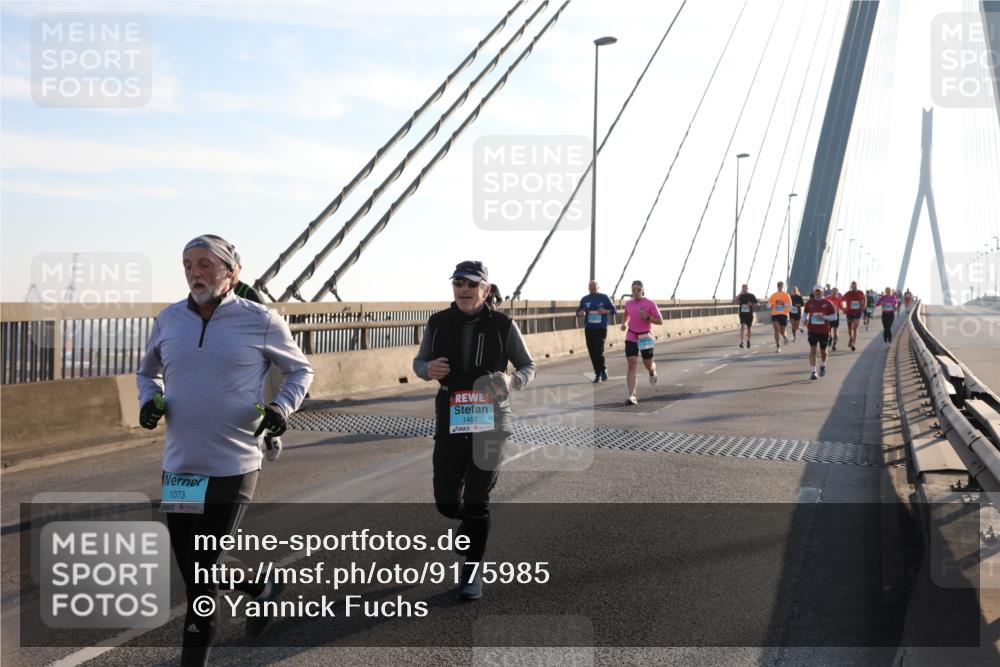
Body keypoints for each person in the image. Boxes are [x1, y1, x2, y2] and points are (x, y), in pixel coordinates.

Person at [137, 235, 314, 666]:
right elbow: (147, 373)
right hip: (181, 468)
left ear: (232, 272)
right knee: (196, 568)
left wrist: (280, 408)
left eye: (205, 264)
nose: (194, 273)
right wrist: (148, 400)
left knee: (201, 585)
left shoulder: (261, 320)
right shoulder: (168, 319)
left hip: (233, 464)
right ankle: (261, 587)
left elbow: (300, 371)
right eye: (188, 264)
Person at [412, 260, 536, 601]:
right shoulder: (437, 323)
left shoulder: (503, 325)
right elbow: (419, 362)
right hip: (451, 416)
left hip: (492, 420)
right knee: (446, 502)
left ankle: (471, 571)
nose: (463, 289)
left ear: (485, 289)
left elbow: (528, 366)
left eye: (471, 284)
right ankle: (464, 520)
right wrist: (427, 369)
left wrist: (511, 380)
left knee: (478, 499)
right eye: (458, 283)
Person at [620, 280, 662, 405]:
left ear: (643, 290)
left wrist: (648, 317)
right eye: (633, 290)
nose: (636, 292)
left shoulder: (650, 303)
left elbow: (660, 321)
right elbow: (626, 315)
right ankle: (632, 395)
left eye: (638, 289)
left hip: (645, 336)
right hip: (631, 335)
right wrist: (624, 323)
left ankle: (652, 371)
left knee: (648, 364)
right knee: (631, 364)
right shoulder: (628, 304)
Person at [577, 280, 617, 383]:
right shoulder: (585, 299)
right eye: (590, 286)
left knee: (598, 351)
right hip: (589, 328)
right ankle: (600, 370)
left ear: (598, 287)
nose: (592, 288)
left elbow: (614, 310)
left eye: (594, 286)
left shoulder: (604, 297)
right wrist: (581, 313)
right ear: (588, 288)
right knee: (592, 351)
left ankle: (599, 373)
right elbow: (578, 312)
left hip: (601, 328)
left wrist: (605, 311)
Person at [803, 284, 837, 380]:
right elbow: (805, 313)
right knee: (813, 350)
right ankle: (813, 372)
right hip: (812, 329)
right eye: (816, 291)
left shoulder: (827, 303)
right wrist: (804, 320)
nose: (818, 293)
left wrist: (824, 317)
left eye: (819, 291)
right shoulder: (809, 303)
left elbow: (834, 317)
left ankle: (822, 365)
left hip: (824, 330)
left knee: (823, 352)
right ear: (814, 292)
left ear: (822, 292)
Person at [767, 281, 792, 352]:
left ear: (783, 287)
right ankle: (778, 346)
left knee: (782, 331)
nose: (780, 287)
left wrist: (783, 304)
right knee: (776, 329)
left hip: (784, 314)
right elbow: (768, 305)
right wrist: (770, 305)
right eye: (779, 286)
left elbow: (790, 305)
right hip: (775, 314)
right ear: (777, 286)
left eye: (781, 286)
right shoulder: (773, 295)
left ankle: (785, 337)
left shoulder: (786, 295)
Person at [842, 281, 867, 351]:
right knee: (849, 328)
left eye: (855, 286)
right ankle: (851, 338)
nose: (854, 287)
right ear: (851, 287)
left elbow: (865, 299)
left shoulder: (860, 292)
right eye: (853, 286)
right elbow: (843, 300)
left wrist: (864, 305)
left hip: (857, 312)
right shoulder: (848, 293)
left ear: (857, 286)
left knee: (855, 328)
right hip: (849, 312)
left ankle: (853, 344)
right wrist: (844, 308)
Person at [735, 284, 758, 349]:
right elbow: (734, 300)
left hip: (749, 314)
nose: (744, 289)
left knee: (749, 328)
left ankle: (748, 340)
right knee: (742, 326)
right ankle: (742, 342)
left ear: (747, 289)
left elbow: (757, 304)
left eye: (745, 288)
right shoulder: (741, 296)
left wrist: (751, 304)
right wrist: (740, 293)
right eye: (743, 288)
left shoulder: (751, 295)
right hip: (742, 314)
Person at [826, 287, 844, 351]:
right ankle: (830, 338)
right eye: (833, 291)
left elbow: (842, 307)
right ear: (831, 292)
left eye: (836, 292)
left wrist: (845, 309)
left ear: (837, 292)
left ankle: (834, 344)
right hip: (829, 316)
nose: (834, 293)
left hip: (836, 316)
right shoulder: (827, 298)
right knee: (828, 331)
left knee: (835, 332)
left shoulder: (839, 299)